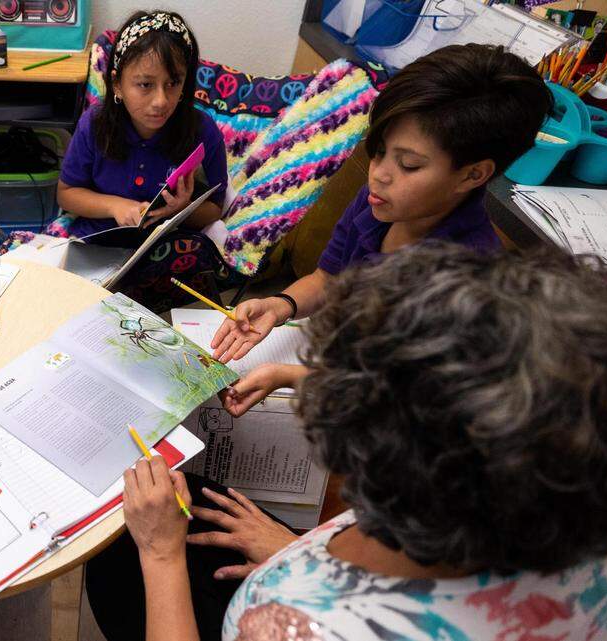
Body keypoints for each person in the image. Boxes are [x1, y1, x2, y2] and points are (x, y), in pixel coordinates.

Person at [88, 244, 607, 640]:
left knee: (119, 557)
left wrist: (161, 555)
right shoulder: (590, 521)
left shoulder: (289, 623)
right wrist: (294, 547)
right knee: (197, 503)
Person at [211, 44, 552, 416]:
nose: (380, 174)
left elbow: (404, 395)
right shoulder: (381, 202)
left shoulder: (466, 281)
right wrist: (282, 305)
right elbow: (329, 277)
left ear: (473, 174)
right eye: (379, 151)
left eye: (408, 165)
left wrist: (292, 377)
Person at [57, 10, 227, 238]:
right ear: (117, 84)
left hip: (168, 247)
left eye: (173, 83)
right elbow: (66, 194)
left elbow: (216, 208)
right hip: (98, 242)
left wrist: (182, 211)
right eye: (145, 85)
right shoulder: (95, 124)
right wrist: (114, 206)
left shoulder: (202, 131)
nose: (161, 101)